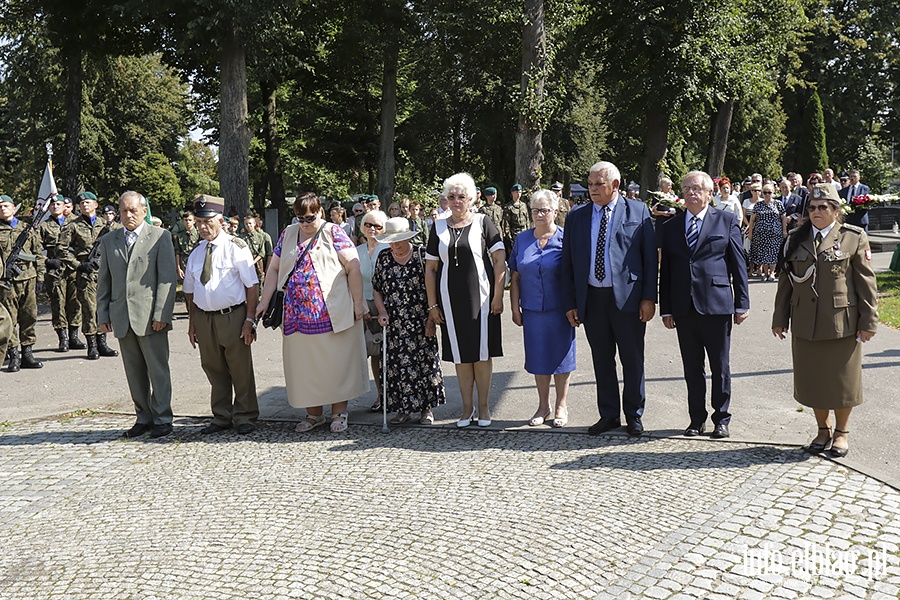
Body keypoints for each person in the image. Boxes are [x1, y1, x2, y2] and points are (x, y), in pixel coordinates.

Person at [772, 183, 878, 458]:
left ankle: (842, 432)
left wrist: (868, 321)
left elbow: (866, 284)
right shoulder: (796, 237)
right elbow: (786, 282)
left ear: (835, 210)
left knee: (842, 381)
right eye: (811, 208)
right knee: (813, 380)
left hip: (841, 322)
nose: (815, 212)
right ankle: (823, 429)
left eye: (822, 207)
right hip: (805, 322)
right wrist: (779, 318)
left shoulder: (853, 237)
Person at [256, 192, 368, 434]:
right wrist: (264, 301)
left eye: (310, 218)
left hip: (331, 311)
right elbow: (273, 268)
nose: (305, 223)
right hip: (296, 315)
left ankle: (339, 412)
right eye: (300, 218)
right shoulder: (288, 234)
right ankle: (314, 414)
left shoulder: (334, 232)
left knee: (336, 363)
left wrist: (358, 302)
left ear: (320, 212)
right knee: (304, 366)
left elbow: (353, 266)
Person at [560, 161, 657, 437]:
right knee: (602, 360)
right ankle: (609, 414)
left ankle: (634, 415)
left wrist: (649, 297)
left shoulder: (637, 211)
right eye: (590, 184)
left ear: (615, 185)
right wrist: (571, 302)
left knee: (632, 358)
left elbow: (650, 260)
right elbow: (568, 264)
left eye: (598, 184)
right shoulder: (577, 217)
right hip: (592, 299)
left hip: (628, 299)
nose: (592, 189)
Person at [657, 171, 750, 439]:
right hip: (684, 307)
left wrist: (741, 302)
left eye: (697, 188)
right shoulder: (672, 226)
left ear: (710, 194)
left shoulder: (726, 220)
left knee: (720, 365)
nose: (691, 193)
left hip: (717, 304)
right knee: (692, 367)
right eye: (687, 188)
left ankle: (721, 418)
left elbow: (738, 263)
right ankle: (696, 419)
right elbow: (668, 270)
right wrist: (667, 308)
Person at [425, 173, 505, 427]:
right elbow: (430, 269)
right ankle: (466, 408)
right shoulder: (437, 227)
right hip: (450, 300)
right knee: (460, 356)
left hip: (481, 300)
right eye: (452, 197)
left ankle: (484, 407)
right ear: (446, 200)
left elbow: (500, 260)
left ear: (471, 198)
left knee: (481, 354)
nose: (457, 201)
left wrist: (498, 295)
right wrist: (433, 305)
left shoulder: (484, 222)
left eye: (461, 196)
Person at [97, 191, 177, 439]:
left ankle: (162, 418)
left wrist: (162, 312)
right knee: (134, 372)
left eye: (133, 210)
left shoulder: (160, 237)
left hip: (151, 316)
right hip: (122, 315)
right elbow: (104, 280)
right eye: (124, 211)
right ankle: (143, 417)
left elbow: (166, 279)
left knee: (157, 370)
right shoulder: (110, 240)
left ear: (144, 210)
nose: (128, 215)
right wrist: (102, 314)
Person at [183, 196, 260, 435]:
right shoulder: (196, 253)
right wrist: (192, 323)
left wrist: (249, 320)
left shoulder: (236, 247)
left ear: (220, 221)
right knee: (213, 367)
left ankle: (245, 415)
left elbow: (252, 286)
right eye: (198, 223)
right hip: (205, 318)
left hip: (233, 316)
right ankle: (221, 415)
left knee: (239, 367)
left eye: (208, 222)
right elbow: (190, 291)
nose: (203, 227)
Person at [509, 189, 575, 428]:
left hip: (561, 310)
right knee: (538, 358)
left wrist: (575, 306)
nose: (539, 214)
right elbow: (515, 276)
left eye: (545, 210)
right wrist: (515, 308)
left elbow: (574, 276)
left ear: (555, 212)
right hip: (532, 310)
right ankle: (543, 405)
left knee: (562, 358)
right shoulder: (522, 239)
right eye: (535, 210)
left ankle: (561, 405)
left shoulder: (566, 238)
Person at [372, 218, 446, 424]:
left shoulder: (422, 255)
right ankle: (402, 410)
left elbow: (436, 286)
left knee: (425, 363)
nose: (395, 245)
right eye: (391, 241)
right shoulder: (384, 257)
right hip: (394, 322)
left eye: (399, 241)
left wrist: (432, 315)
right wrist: (381, 311)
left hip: (420, 320)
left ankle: (426, 409)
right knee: (397, 367)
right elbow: (376, 288)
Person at [68, 191, 120, 360]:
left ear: (96, 205)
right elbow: (61, 249)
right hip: (85, 273)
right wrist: (79, 265)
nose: (85, 205)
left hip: (104, 272)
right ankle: (92, 346)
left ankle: (102, 343)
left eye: (88, 202)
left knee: (103, 308)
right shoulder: (73, 226)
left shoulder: (106, 225)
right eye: (82, 203)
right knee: (89, 310)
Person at [0, 194, 45, 371]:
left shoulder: (27, 229)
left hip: (29, 279)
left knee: (29, 317)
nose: (3, 208)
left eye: (6, 205)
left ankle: (27, 353)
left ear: (14, 208)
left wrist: (41, 277)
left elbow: (38, 255)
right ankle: (14, 355)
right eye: (0, 206)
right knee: (9, 319)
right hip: (7, 282)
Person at [37, 195, 81, 352]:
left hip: (73, 267)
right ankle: (63, 338)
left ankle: (74, 336)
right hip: (55, 269)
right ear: (49, 208)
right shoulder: (43, 226)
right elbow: (34, 249)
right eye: (53, 204)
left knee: (75, 302)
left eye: (59, 204)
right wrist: (47, 261)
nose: (56, 206)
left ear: (65, 207)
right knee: (58, 303)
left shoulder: (76, 224)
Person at [356, 209, 389, 411]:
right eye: (368, 225)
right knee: (374, 351)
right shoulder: (356, 251)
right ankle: (380, 395)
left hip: (386, 304)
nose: (372, 229)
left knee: (390, 352)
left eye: (377, 226)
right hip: (363, 303)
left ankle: (394, 395)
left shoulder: (388, 248)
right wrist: (359, 305)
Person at [747, 182, 788, 281]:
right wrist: (750, 232)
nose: (767, 194)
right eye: (765, 192)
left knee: (773, 253)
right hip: (760, 234)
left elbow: (783, 218)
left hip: (775, 233)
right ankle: (765, 273)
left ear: (773, 192)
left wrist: (784, 230)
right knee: (763, 254)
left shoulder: (778, 204)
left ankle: (772, 273)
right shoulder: (758, 205)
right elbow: (752, 220)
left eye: (769, 192)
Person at [241, 213, 273, 288]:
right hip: (244, 263)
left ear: (254, 224)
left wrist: (253, 262)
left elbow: (263, 253)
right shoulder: (241, 237)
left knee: (259, 285)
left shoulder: (260, 236)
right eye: (246, 224)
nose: (248, 225)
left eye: (250, 223)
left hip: (258, 263)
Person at [502, 184, 530, 256]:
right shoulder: (508, 207)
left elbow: (527, 220)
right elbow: (506, 223)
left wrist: (529, 231)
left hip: (524, 231)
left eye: (520, 192)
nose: (518, 194)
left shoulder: (523, 205)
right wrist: (509, 236)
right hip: (514, 233)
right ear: (512, 193)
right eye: (516, 192)